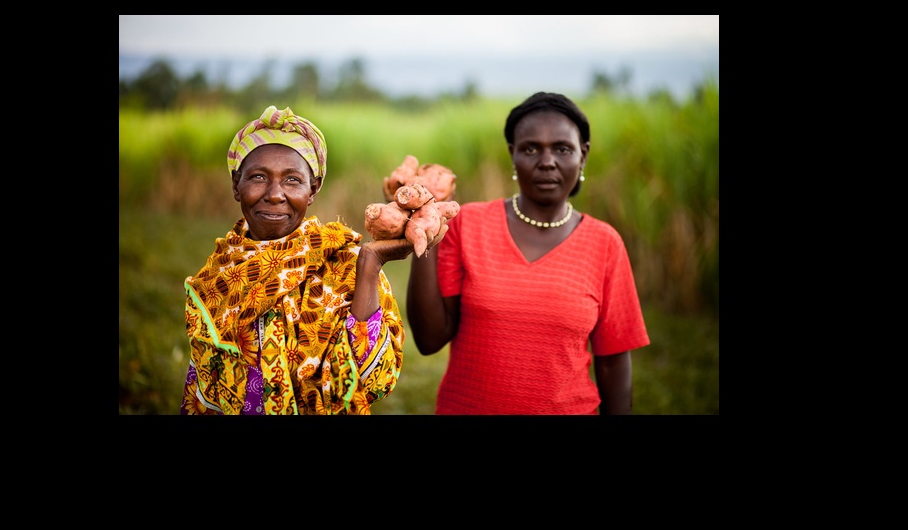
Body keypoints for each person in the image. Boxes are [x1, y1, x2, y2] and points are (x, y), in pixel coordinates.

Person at [405, 92, 650, 415]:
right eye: (531, 148)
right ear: (513, 155)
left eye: (562, 149)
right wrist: (423, 227)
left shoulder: (604, 243)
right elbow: (429, 340)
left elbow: (613, 364)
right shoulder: (467, 223)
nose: (546, 161)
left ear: (583, 155)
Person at [179, 105, 426, 415]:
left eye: (292, 180)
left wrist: (370, 264)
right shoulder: (217, 275)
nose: (274, 194)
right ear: (235, 185)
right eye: (258, 177)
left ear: (313, 190)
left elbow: (373, 380)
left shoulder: (345, 266)